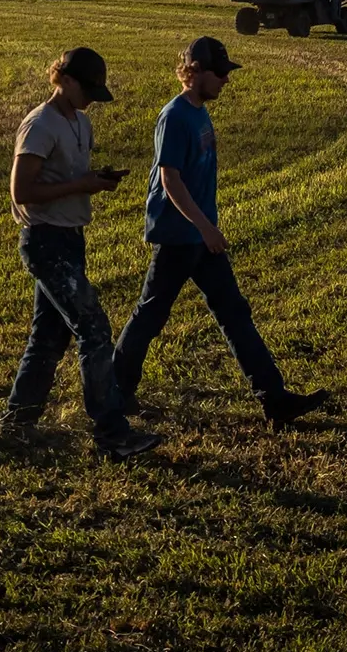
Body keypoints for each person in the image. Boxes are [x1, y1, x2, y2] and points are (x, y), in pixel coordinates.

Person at [112, 36, 329, 429]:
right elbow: (170, 179)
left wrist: (207, 229)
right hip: (179, 236)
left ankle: (275, 399)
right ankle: (114, 393)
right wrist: (205, 227)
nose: (226, 81)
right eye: (220, 73)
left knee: (234, 314)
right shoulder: (175, 116)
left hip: (200, 236)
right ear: (195, 73)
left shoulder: (198, 111)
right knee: (150, 316)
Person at [1, 47, 160, 459]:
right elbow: (22, 192)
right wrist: (82, 186)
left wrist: (95, 179)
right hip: (44, 240)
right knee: (93, 328)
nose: (92, 99)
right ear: (64, 81)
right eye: (87, 89)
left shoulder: (80, 122)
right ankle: (111, 432)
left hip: (70, 239)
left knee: (48, 338)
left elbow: (69, 176)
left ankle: (16, 426)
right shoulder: (39, 125)